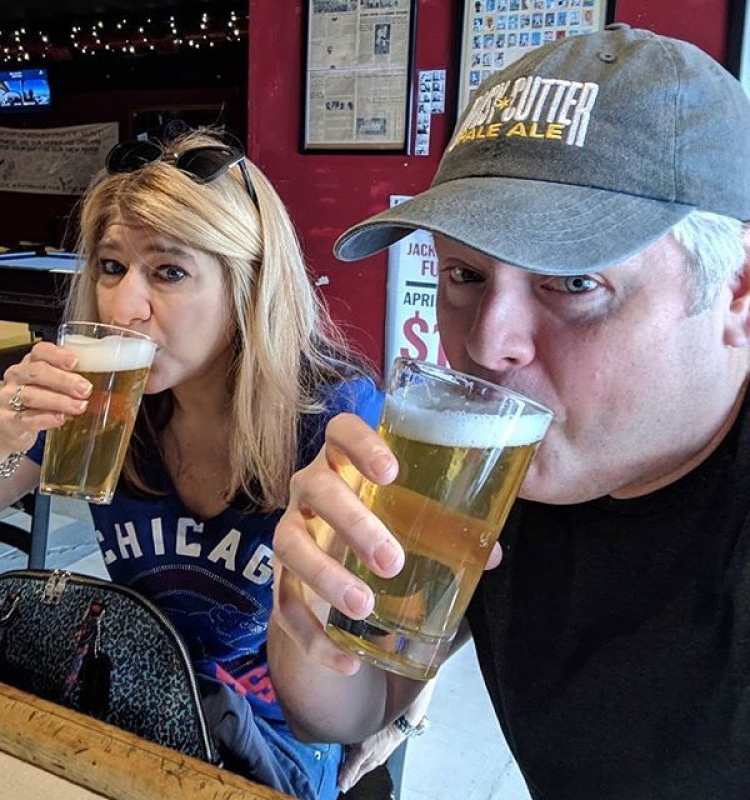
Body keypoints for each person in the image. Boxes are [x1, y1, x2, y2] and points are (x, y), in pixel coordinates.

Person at [269, 25, 750, 799]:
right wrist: (313, 610)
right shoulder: (494, 460)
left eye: (574, 281)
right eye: (464, 274)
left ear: (738, 294)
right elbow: (351, 708)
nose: (488, 344)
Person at [0, 130, 393, 800]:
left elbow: (398, 612)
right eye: (111, 266)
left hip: (272, 743)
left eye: (169, 272)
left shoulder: (332, 417)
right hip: (138, 703)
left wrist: (403, 711)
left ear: (248, 286)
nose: (123, 307)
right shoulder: (107, 401)